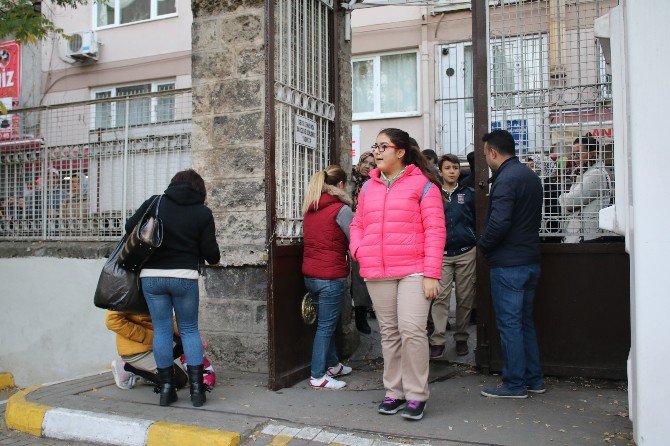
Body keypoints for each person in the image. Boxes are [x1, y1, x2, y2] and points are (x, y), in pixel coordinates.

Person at [350, 128, 445, 421]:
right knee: (389, 334)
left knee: (413, 331)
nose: (377, 152)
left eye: (383, 146)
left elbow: (435, 231)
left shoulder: (424, 185)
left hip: (414, 271)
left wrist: (432, 273)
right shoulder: (368, 188)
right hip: (378, 270)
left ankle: (417, 394)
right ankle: (394, 391)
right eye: (375, 146)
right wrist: (359, 251)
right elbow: (357, 225)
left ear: (400, 152)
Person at [125, 169, 220, 407]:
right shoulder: (202, 213)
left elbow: (129, 227)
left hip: (152, 278)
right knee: (188, 330)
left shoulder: (156, 202)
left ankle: (167, 389)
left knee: (162, 331)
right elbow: (211, 254)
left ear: (173, 184)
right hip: (184, 278)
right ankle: (198, 392)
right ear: (199, 190)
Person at [477, 129, 544, 399]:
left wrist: (483, 246)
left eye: (485, 155)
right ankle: (534, 379)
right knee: (524, 322)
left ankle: (515, 384)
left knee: (510, 325)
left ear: (493, 152)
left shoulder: (506, 179)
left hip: (509, 264)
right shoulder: (529, 175)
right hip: (529, 261)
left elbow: (500, 221)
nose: (485, 160)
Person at [302, 165, 355, 390]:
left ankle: (333, 364)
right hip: (331, 275)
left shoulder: (310, 208)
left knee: (327, 323)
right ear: (341, 185)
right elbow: (355, 237)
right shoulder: (341, 210)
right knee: (326, 326)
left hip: (311, 274)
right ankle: (317, 376)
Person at [429, 154, 476, 359]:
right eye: (447, 168)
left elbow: (476, 219)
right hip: (442, 253)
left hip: (466, 251)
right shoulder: (433, 193)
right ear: (440, 171)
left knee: (465, 298)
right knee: (440, 297)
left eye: (455, 168)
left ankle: (461, 338)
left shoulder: (469, 193)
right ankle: (438, 340)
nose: (451, 171)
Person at [106, 310, 187, 390]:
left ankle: (152, 371)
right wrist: (147, 336)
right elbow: (112, 321)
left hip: (155, 341)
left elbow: (167, 317)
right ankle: (127, 367)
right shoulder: (130, 296)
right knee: (178, 381)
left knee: (188, 342)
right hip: (139, 350)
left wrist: (189, 335)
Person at [559, 134, 612, 243]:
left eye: (579, 153)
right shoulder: (585, 173)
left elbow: (570, 203)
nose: (575, 157)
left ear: (593, 154)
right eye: (573, 154)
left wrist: (562, 198)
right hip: (583, 236)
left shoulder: (596, 174)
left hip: (589, 238)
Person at [350, 152, 376, 335]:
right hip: (345, 231)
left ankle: (361, 314)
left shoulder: (375, 185)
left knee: (361, 277)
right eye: (365, 162)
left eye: (372, 164)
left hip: (365, 235)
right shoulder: (349, 181)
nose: (367, 166)